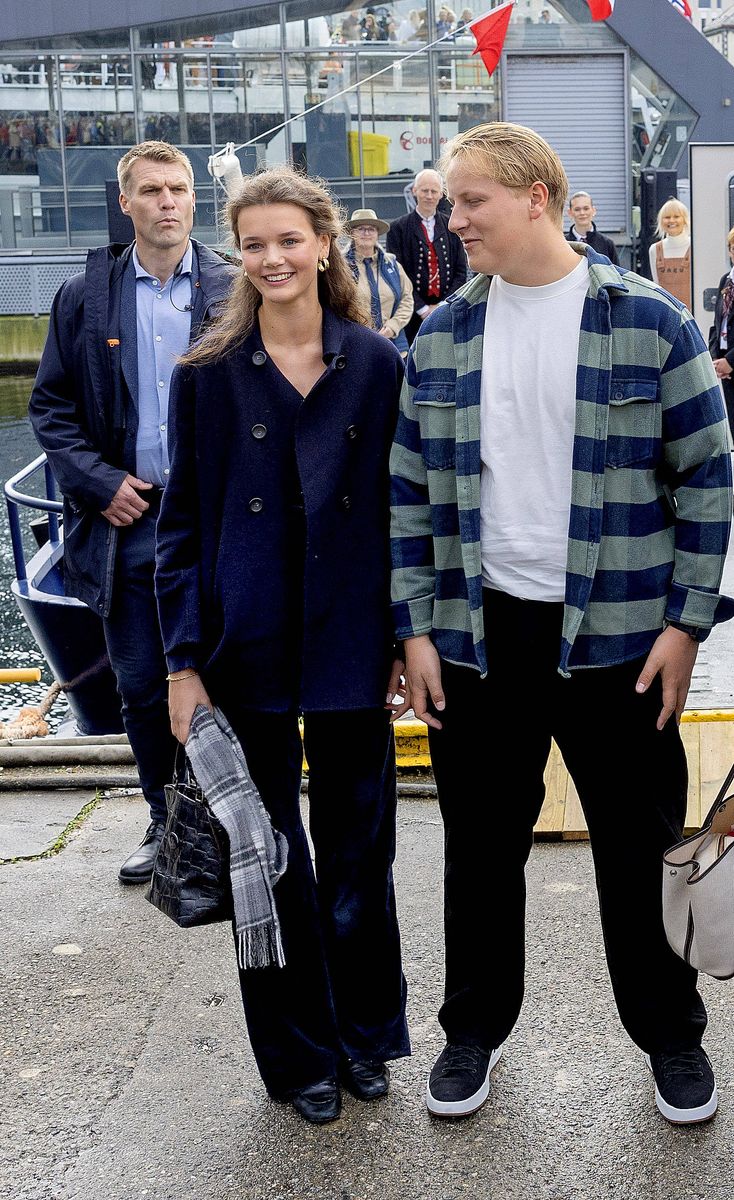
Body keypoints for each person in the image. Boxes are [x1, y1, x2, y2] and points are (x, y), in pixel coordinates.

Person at [390, 121, 733, 1125]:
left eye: (469, 203)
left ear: (535, 196)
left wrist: (683, 627)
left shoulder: (649, 323)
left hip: (621, 638)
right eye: (451, 204)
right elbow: (408, 495)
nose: (452, 224)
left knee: (637, 849)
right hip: (479, 636)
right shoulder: (442, 332)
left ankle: (671, 1039)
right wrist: (413, 630)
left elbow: (707, 482)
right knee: (478, 851)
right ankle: (469, 1034)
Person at [155, 166, 411, 1126]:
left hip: (350, 637)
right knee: (266, 859)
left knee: (358, 853)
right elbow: (179, 529)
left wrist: (403, 638)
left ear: (325, 242)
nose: (272, 259)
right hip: (243, 644)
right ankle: (296, 1055)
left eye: (288, 240)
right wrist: (183, 665)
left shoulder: (376, 366)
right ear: (237, 253)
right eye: (253, 244)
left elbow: (399, 517)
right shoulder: (208, 379)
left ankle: (364, 1035)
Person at [28, 141, 236, 884]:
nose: (168, 202)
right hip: (129, 522)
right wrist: (97, 482)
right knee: (145, 685)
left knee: (227, 678)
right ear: (127, 203)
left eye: (178, 188)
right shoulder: (87, 297)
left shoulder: (230, 285)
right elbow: (50, 407)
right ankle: (166, 819)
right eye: (151, 190)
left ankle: (233, 818)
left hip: (217, 524)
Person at [386, 168, 467, 345]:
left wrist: (441, 306)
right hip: (411, 316)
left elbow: (461, 272)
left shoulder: (452, 226)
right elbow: (397, 275)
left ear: (441, 194)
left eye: (434, 191)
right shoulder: (398, 228)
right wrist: (422, 309)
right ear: (415, 191)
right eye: (424, 190)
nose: (429, 196)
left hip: (447, 309)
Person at [344, 207, 414, 355]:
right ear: (352, 234)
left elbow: (407, 299)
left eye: (371, 229)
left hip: (393, 345)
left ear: (377, 234)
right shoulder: (341, 267)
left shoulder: (393, 265)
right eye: (361, 229)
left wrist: (393, 326)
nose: (366, 233)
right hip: (355, 346)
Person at [708, 226, 734, 437]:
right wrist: (715, 356)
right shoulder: (726, 280)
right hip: (725, 366)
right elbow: (719, 321)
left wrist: (731, 361)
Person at [649, 198, 691, 307]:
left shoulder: (695, 247)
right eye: (667, 217)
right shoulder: (654, 249)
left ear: (685, 219)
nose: (671, 221)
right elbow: (656, 284)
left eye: (676, 216)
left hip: (692, 314)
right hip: (665, 313)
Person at [565, 190, 619, 264]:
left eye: (586, 208)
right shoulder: (563, 243)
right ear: (570, 213)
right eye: (577, 209)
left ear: (593, 210)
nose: (582, 213)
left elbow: (616, 274)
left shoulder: (607, 244)